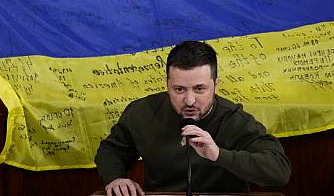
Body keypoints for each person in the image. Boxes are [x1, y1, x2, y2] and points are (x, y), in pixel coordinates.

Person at [95, 41, 291, 196]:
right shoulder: (141, 112)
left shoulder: (233, 119)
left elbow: (279, 171)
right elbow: (111, 150)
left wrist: (218, 155)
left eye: (199, 89)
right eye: (179, 89)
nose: (189, 100)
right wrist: (116, 178)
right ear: (167, 83)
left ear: (215, 84)